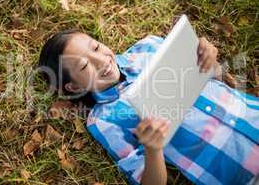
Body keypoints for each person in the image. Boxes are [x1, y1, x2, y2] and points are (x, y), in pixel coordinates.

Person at [38, 29, 259, 185]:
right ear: (74, 85)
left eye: (95, 46)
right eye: (84, 65)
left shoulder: (150, 46)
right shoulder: (103, 119)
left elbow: (213, 79)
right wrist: (153, 149)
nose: (100, 60)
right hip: (242, 172)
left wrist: (209, 61)